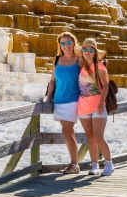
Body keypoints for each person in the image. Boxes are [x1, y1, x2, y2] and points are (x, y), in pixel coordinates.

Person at [45, 32, 81, 174]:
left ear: (73, 42)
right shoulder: (57, 59)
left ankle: (75, 164)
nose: (66, 46)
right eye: (62, 43)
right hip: (58, 101)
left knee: (66, 132)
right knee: (70, 133)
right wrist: (48, 99)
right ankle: (73, 163)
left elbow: (92, 69)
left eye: (68, 42)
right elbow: (52, 81)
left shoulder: (79, 60)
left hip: (73, 100)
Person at [77, 38, 113, 176]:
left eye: (90, 49)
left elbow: (106, 85)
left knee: (98, 137)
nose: (87, 52)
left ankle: (109, 163)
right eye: (84, 49)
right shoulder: (80, 65)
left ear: (95, 52)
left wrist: (100, 103)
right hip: (83, 106)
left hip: (97, 105)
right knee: (90, 137)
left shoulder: (100, 67)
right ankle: (94, 166)